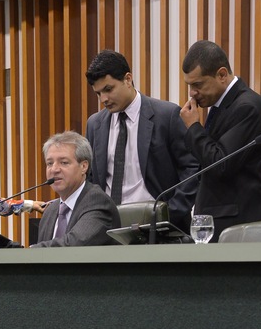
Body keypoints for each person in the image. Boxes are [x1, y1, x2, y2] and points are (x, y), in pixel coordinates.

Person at [85, 50, 199, 232]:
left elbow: (192, 169)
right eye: (98, 93)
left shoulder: (167, 115)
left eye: (108, 89)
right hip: (110, 229)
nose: (103, 99)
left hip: (158, 228)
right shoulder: (94, 124)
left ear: (128, 79)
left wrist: (169, 214)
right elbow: (91, 180)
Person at [180, 40, 261, 241]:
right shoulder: (222, 106)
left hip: (244, 227)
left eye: (198, 84)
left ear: (222, 75)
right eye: (189, 85)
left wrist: (194, 128)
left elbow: (220, 164)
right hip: (225, 224)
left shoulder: (247, 107)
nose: (192, 93)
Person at [32, 131, 120, 247]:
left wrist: (29, 251)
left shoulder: (98, 202)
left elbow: (74, 244)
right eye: (49, 163)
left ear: (84, 166)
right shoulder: (51, 211)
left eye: (64, 162)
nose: (54, 169)